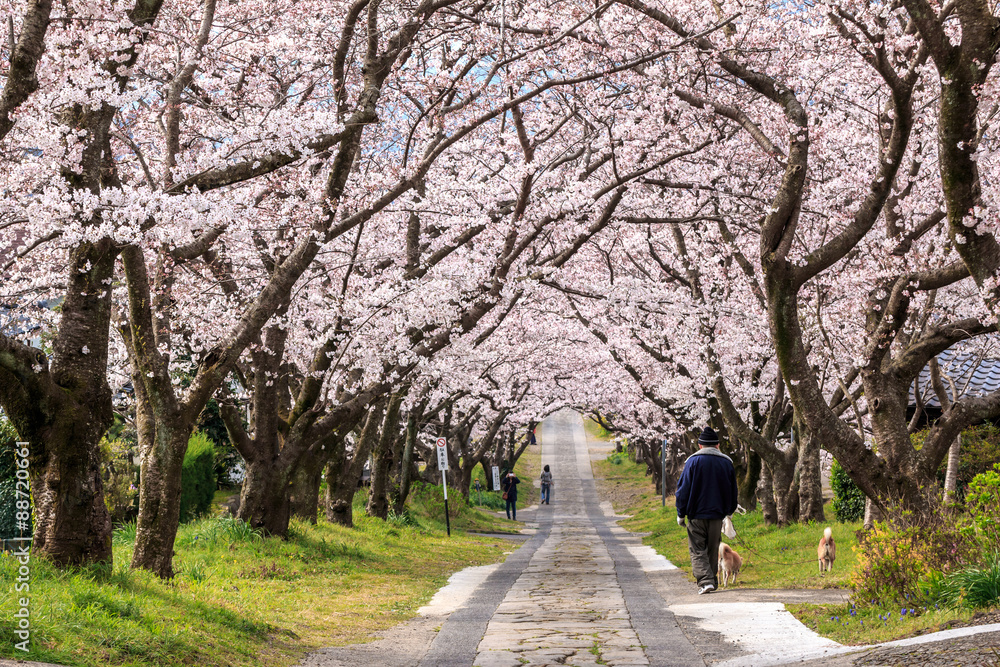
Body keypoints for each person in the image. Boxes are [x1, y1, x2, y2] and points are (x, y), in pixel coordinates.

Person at [675, 426, 738, 595]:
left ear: (700, 445)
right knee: (712, 548)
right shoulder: (726, 463)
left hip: (696, 514)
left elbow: (682, 490)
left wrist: (681, 513)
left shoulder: (692, 462)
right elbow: (733, 490)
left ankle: (705, 581)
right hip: (717, 515)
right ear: (718, 445)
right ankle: (712, 581)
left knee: (697, 549)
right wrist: (729, 512)